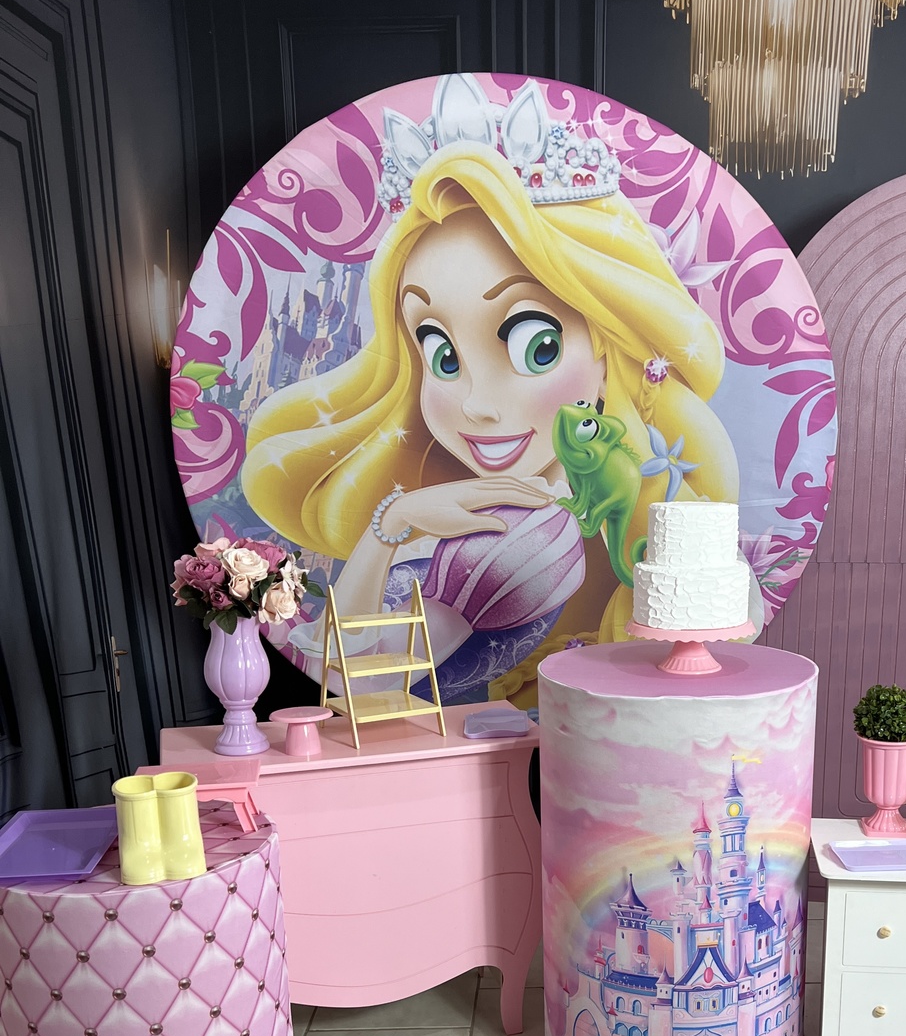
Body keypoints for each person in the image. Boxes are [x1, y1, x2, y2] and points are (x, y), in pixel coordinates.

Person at [242, 76, 746, 706]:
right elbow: (348, 676)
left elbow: (353, 677)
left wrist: (395, 524)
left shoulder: (533, 541)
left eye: (537, 346)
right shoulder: (476, 515)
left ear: (609, 350)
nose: (477, 403)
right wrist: (396, 520)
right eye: (442, 355)